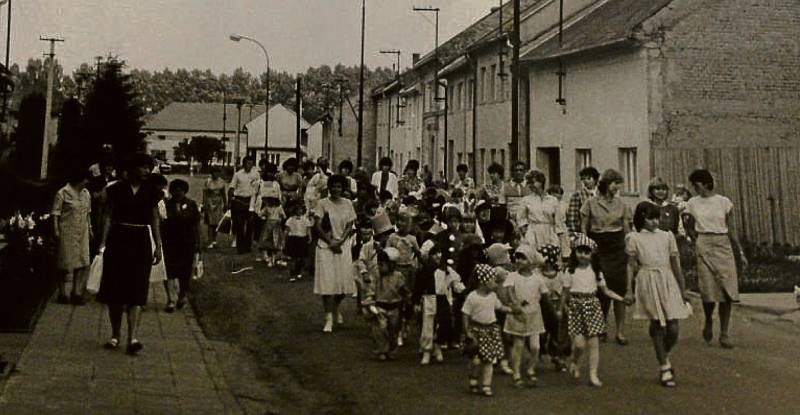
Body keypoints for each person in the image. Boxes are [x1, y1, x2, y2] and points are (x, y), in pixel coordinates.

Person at [97, 154, 163, 355]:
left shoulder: (152, 192)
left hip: (141, 239)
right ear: (132, 168)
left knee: (137, 289)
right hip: (118, 239)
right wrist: (102, 243)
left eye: (148, 168)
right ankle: (115, 334)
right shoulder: (116, 190)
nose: (145, 171)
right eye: (142, 167)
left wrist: (158, 245)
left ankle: (132, 337)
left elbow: (155, 219)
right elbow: (108, 216)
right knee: (115, 291)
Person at [627, 202, 689, 387]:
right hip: (648, 280)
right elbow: (630, 265)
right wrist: (628, 289)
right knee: (657, 323)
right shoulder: (634, 238)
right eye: (650, 218)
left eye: (657, 217)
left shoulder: (667, 236)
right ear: (641, 218)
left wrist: (682, 288)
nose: (655, 222)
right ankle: (664, 367)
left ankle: (663, 352)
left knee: (673, 328)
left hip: (667, 279)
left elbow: (675, 263)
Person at [684, 169, 746, 349]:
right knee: (708, 291)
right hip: (704, 243)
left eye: (697, 185)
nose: (695, 189)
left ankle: (724, 334)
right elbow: (686, 223)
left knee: (726, 291)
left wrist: (740, 252)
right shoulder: (692, 203)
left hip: (723, 245)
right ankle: (709, 319)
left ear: (706, 183)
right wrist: (694, 239)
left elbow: (731, 229)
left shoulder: (724, 202)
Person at [562, 234, 626, 387]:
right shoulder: (570, 272)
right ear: (574, 252)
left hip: (592, 307)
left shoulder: (596, 272)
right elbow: (565, 294)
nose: (583, 255)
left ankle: (593, 374)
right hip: (576, 307)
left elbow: (606, 291)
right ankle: (575, 360)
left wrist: (621, 299)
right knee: (579, 344)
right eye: (579, 251)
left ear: (592, 254)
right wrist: (562, 309)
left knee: (594, 343)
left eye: (586, 252)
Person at [580, 168, 632, 345]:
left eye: (619, 183)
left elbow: (626, 229)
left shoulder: (622, 205)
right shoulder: (590, 203)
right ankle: (600, 328)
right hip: (598, 246)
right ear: (605, 184)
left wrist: (630, 247)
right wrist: (586, 247)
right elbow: (584, 228)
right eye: (614, 183)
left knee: (619, 288)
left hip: (617, 246)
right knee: (601, 289)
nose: (617, 187)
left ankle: (620, 331)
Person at [462, 264, 518, 397]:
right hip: (476, 330)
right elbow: (465, 314)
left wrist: (512, 310)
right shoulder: (472, 297)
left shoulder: (493, 296)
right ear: (483, 281)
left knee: (488, 360)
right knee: (476, 360)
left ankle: (486, 384)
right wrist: (467, 332)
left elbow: (500, 308)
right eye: (493, 280)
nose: (496, 283)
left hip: (490, 330)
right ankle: (473, 379)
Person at [314, 174, 357, 333]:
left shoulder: (348, 203)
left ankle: (335, 307)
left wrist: (340, 241)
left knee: (344, 283)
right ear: (329, 187)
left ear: (343, 188)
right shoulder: (322, 203)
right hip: (325, 247)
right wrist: (330, 242)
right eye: (333, 186)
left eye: (339, 186)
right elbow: (318, 226)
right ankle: (328, 318)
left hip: (343, 246)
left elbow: (349, 225)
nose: (336, 189)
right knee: (327, 283)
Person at [502, 244, 550, 388]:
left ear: (530, 261)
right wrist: (515, 304)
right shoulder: (512, 276)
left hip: (534, 314)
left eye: (523, 258)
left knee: (535, 346)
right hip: (518, 314)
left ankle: (530, 367)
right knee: (518, 344)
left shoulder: (538, 278)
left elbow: (545, 294)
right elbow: (509, 291)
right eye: (517, 257)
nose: (519, 261)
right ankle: (516, 373)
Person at [414, 243, 465, 365]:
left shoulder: (446, 270)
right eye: (434, 253)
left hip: (443, 300)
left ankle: (438, 345)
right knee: (428, 324)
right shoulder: (425, 270)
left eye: (439, 253)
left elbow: (456, 282)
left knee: (444, 324)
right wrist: (416, 302)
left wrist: (461, 289)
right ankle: (427, 350)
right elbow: (418, 287)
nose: (438, 255)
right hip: (429, 299)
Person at [52, 168, 93, 305]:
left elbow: (87, 213)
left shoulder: (86, 194)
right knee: (65, 262)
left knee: (82, 261)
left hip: (82, 231)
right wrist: (56, 230)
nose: (87, 182)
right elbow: (56, 213)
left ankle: (76, 292)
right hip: (67, 230)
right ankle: (63, 292)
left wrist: (90, 228)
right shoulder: (63, 192)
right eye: (86, 179)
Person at [363, 247, 411, 361]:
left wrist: (407, 297)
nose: (380, 267)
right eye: (379, 264)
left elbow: (404, 290)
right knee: (380, 329)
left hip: (395, 306)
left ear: (392, 264)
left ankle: (391, 350)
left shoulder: (398, 276)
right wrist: (370, 299)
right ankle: (381, 350)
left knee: (393, 330)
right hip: (380, 306)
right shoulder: (376, 276)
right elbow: (371, 290)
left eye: (383, 264)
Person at [161, 179, 201, 312]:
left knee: (185, 271)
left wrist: (198, 243)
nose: (178, 192)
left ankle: (182, 295)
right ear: (171, 191)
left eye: (181, 190)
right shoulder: (166, 205)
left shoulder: (191, 205)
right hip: (170, 243)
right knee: (169, 271)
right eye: (175, 190)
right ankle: (171, 299)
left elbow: (196, 224)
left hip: (187, 243)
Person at [537, 244, 570, 372]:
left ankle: (559, 357)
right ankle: (539, 350)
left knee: (560, 332)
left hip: (557, 305)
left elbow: (564, 293)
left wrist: (563, 307)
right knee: (542, 333)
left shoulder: (560, 275)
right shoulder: (538, 275)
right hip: (543, 306)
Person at [519, 170, 567, 253]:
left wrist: (559, 239)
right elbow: (521, 219)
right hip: (533, 232)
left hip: (550, 232)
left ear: (541, 182)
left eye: (533, 182)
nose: (531, 185)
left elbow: (559, 222)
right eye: (529, 183)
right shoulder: (526, 200)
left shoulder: (553, 200)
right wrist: (526, 232)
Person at [228, 157, 260, 254]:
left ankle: (247, 246)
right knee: (239, 225)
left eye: (251, 163)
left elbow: (258, 189)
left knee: (250, 224)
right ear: (243, 164)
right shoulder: (238, 174)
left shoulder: (256, 174)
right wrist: (229, 202)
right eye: (247, 163)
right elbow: (232, 188)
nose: (249, 166)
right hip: (239, 201)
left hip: (251, 200)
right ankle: (240, 247)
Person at [284, 202, 313, 282]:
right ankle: (292, 274)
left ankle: (299, 271)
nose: (299, 211)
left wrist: (309, 238)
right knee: (293, 258)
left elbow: (308, 229)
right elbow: (287, 230)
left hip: (302, 239)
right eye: (297, 210)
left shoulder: (305, 219)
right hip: (293, 239)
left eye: (300, 210)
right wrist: (285, 239)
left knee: (301, 257)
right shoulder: (290, 219)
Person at [566, 166, 600, 234]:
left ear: (595, 179)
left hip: (600, 231)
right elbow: (572, 218)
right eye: (583, 179)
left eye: (588, 178)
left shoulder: (601, 194)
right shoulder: (577, 195)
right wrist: (575, 233)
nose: (586, 181)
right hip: (585, 231)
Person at [258, 195, 286, 267]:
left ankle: (274, 258)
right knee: (267, 240)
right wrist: (263, 217)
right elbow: (260, 213)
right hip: (268, 225)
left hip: (276, 225)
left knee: (276, 241)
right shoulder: (267, 208)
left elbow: (284, 216)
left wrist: (280, 219)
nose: (273, 202)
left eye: (274, 200)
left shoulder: (279, 208)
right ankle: (268, 258)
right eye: (271, 200)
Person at [203, 167, 227, 249]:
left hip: (218, 203)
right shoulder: (208, 181)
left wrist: (225, 203)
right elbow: (205, 194)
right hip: (210, 202)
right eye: (214, 172)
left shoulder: (221, 182)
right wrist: (204, 204)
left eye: (217, 172)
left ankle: (214, 240)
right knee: (210, 223)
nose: (215, 174)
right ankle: (210, 240)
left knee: (217, 223)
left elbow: (223, 193)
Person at [505, 161, 530, 226]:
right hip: (510, 220)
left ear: (525, 172)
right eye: (516, 170)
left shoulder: (530, 187)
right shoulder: (506, 186)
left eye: (521, 170)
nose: (519, 172)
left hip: (527, 220)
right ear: (512, 172)